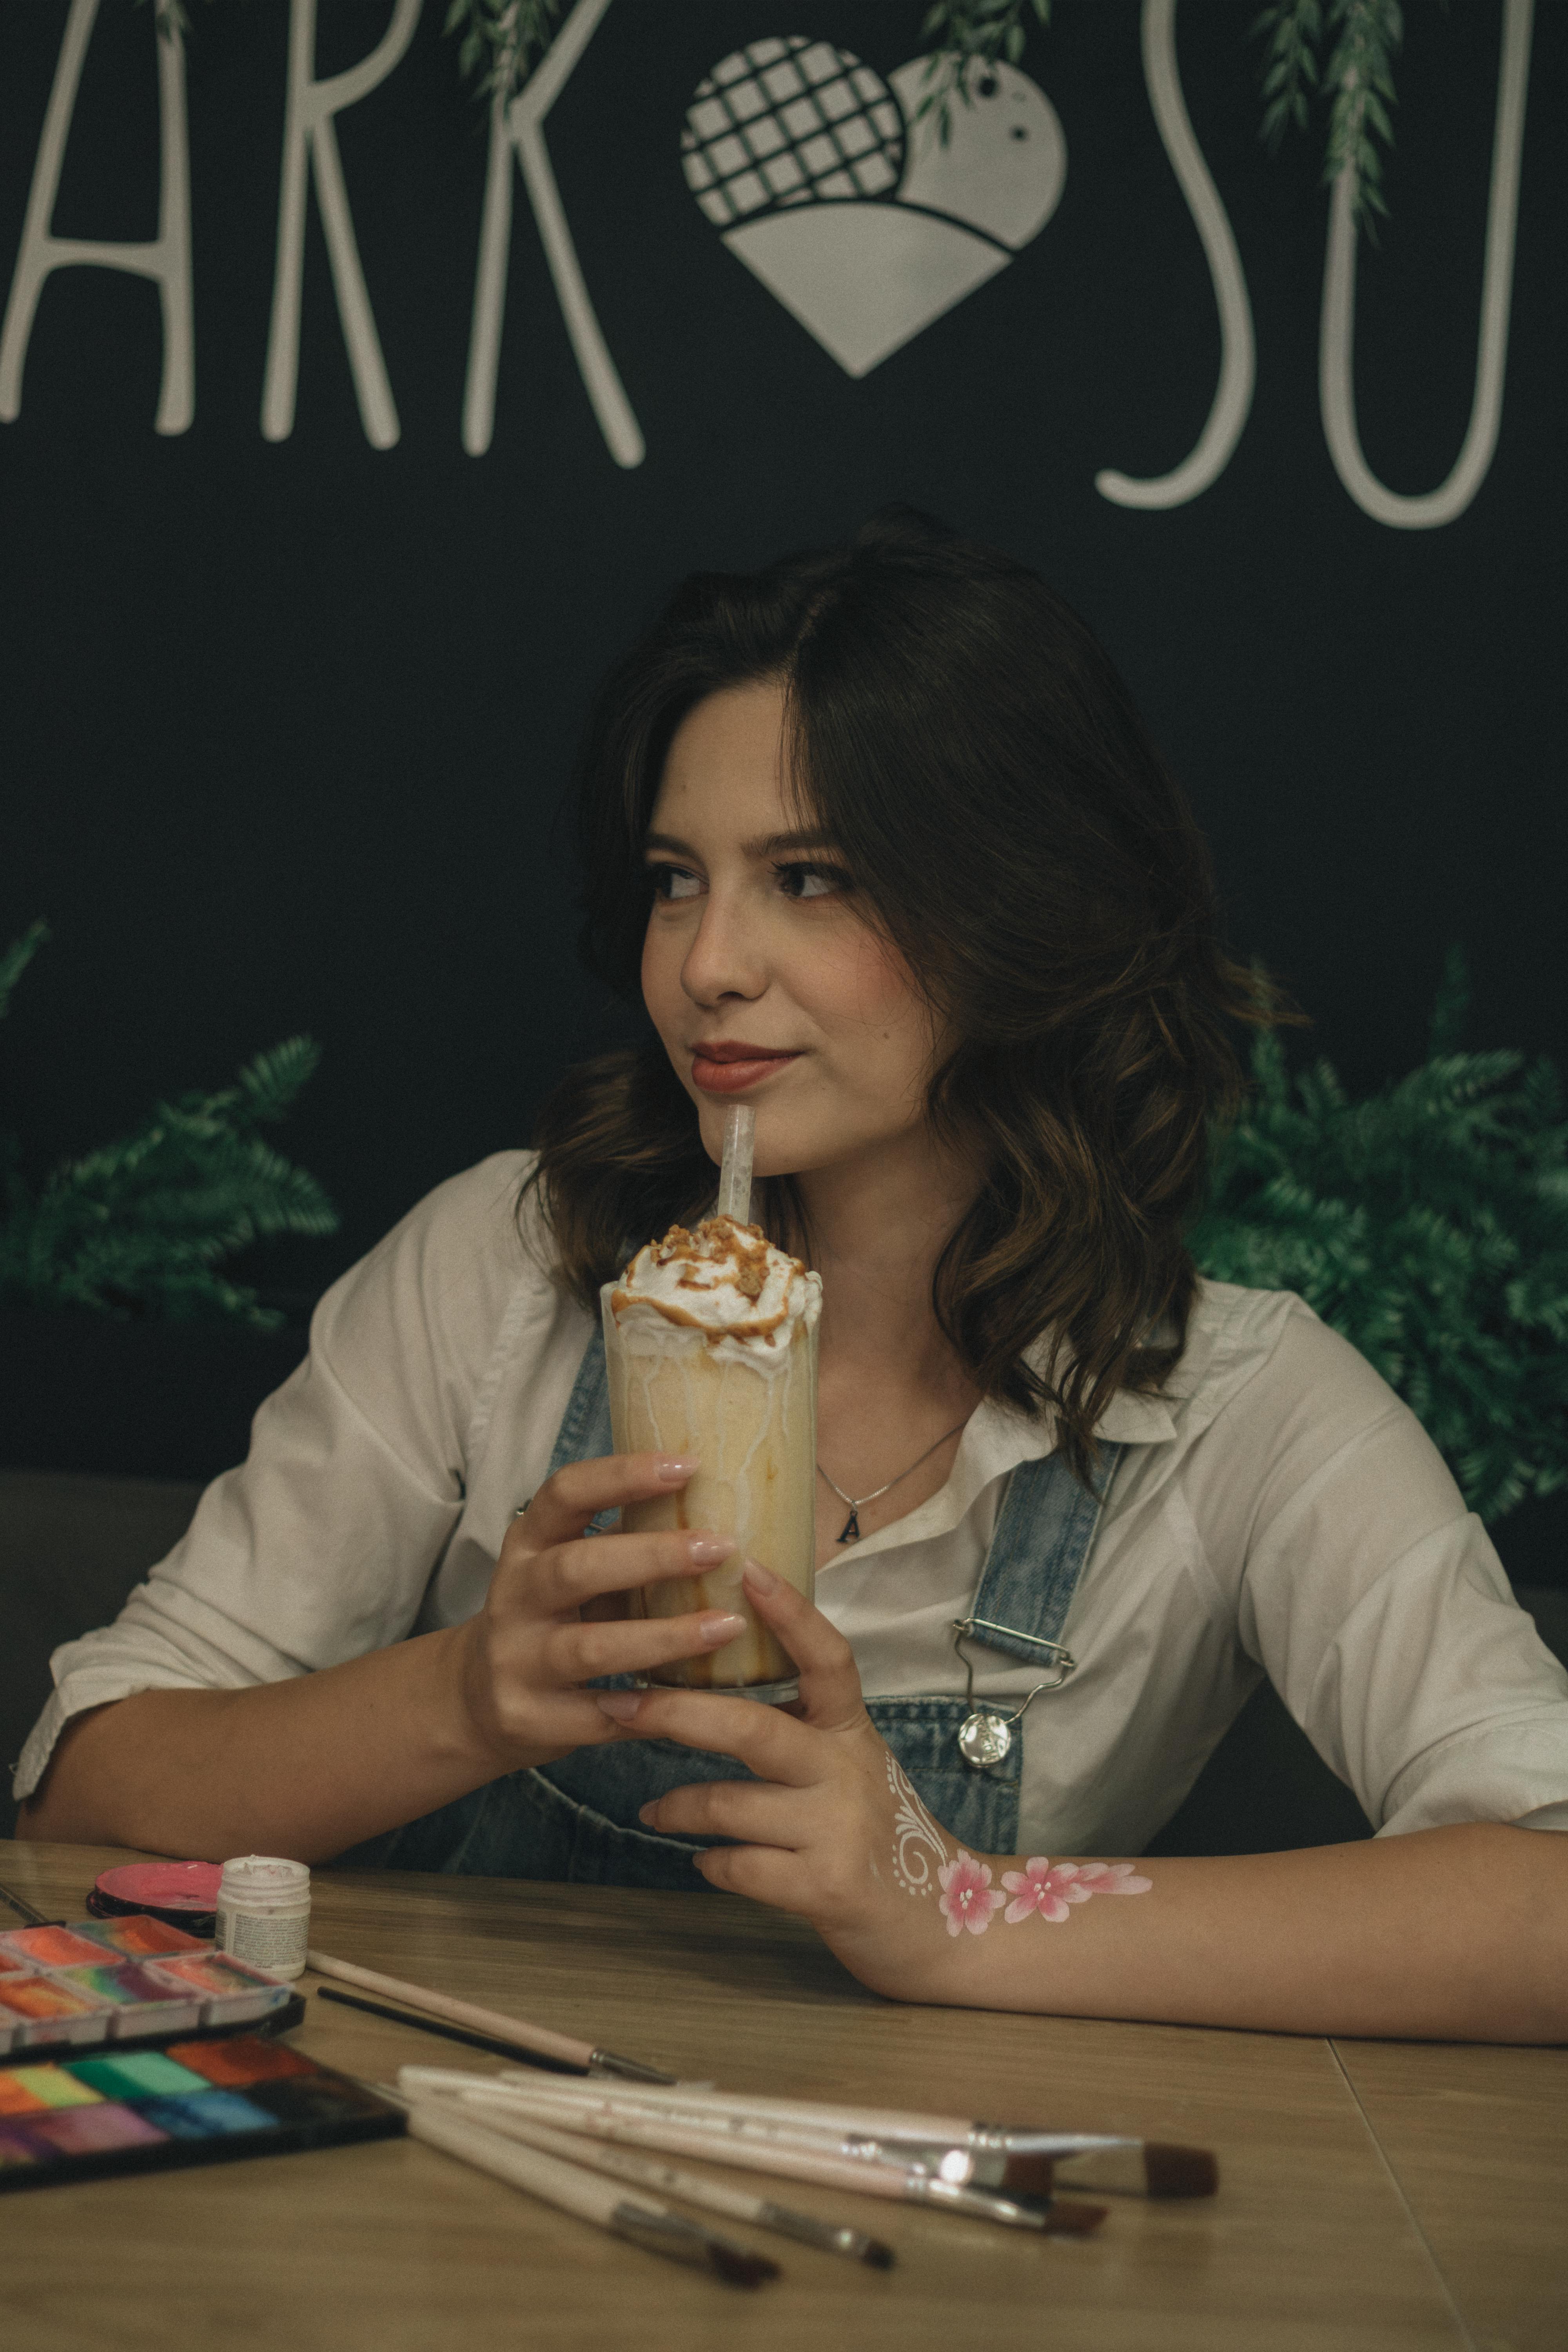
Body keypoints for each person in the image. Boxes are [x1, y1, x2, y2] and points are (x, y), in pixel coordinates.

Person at [18, 512, 1568, 2040]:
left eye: (810, 877)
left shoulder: (1235, 1410)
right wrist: (467, 1696)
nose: (706, 964)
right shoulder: (504, 1268)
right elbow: (85, 1788)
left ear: (1027, 908)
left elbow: (1546, 1902)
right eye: (675, 878)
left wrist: (959, 1911)